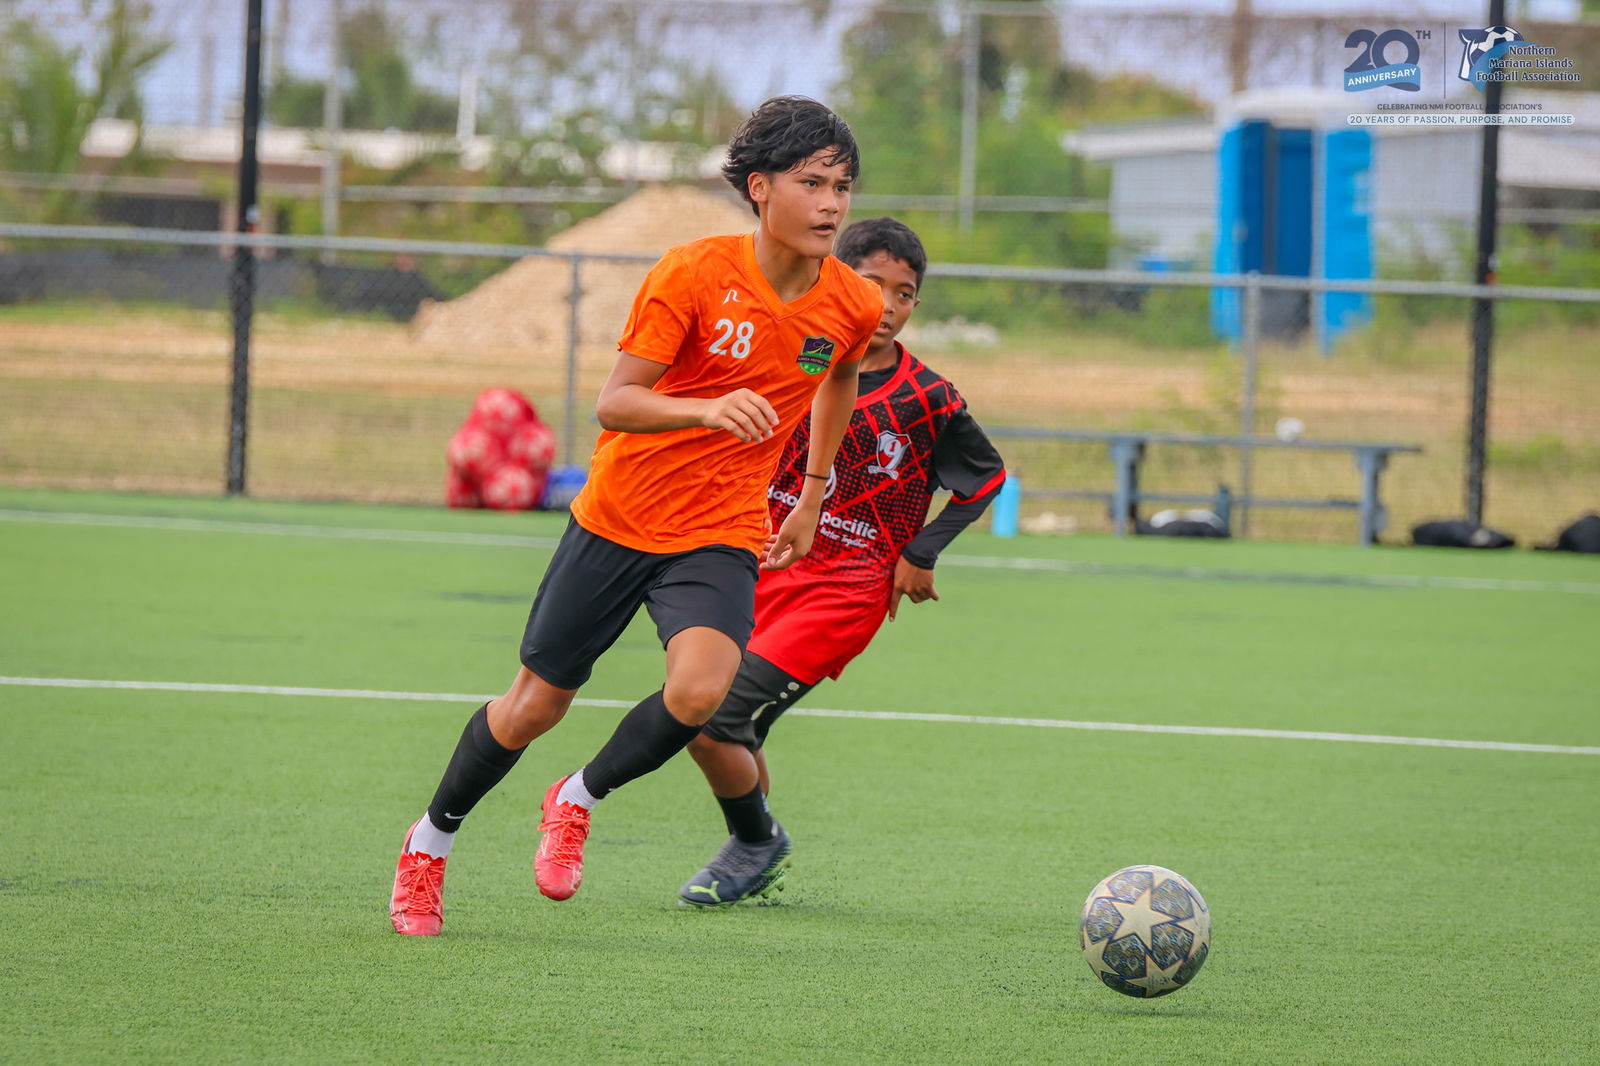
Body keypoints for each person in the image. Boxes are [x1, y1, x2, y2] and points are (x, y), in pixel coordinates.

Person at [390, 96, 882, 935]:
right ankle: (427, 846)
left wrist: (812, 490)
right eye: (812, 183)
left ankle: (576, 797)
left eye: (843, 184)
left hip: (721, 528)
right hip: (618, 517)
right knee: (531, 708)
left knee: (701, 691)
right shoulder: (692, 273)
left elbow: (839, 376)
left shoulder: (851, 303)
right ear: (760, 189)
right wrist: (706, 408)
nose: (833, 203)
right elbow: (616, 404)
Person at [675, 217, 1006, 907]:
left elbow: (985, 478)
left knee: (712, 723)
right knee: (734, 727)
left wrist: (922, 551)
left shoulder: (929, 399)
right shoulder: (798, 357)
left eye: (906, 293)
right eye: (871, 284)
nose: (887, 305)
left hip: (846, 591)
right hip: (761, 567)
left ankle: (755, 846)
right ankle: (753, 849)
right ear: (837, 280)